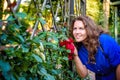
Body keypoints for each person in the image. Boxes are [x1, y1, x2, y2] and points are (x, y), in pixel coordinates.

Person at [69, 15, 120, 80]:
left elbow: (119, 63)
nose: (77, 32)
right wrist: (75, 56)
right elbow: (83, 74)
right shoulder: (80, 49)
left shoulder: (104, 40)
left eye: (81, 28)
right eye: (74, 28)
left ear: (89, 29)